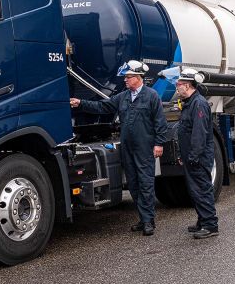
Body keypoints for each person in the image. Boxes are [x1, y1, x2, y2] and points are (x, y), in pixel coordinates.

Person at [70, 60, 169, 236]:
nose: (125, 80)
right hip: (128, 149)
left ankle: (148, 221)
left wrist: (159, 143)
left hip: (145, 148)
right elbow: (102, 106)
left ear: (138, 78)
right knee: (133, 185)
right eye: (125, 77)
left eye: (128, 77)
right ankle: (143, 218)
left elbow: (160, 123)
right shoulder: (123, 96)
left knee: (145, 184)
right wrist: (81, 103)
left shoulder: (151, 96)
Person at [174, 68, 219, 239]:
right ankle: (203, 220)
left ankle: (210, 225)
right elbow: (185, 132)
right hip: (191, 156)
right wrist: (182, 154)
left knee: (202, 189)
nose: (177, 87)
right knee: (195, 190)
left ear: (187, 85)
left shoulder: (198, 103)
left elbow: (199, 134)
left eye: (179, 84)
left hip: (198, 158)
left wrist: (193, 156)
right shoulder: (190, 103)